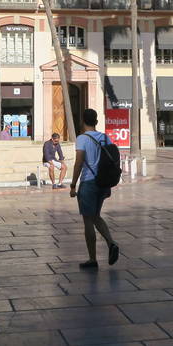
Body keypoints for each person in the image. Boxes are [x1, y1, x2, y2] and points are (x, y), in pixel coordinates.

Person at [70, 109, 120, 269]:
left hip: (89, 183)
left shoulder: (82, 139)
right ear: (96, 121)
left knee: (88, 220)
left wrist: (72, 185)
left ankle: (92, 259)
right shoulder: (105, 137)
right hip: (103, 182)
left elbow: (78, 163)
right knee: (96, 216)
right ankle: (111, 243)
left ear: (83, 121)